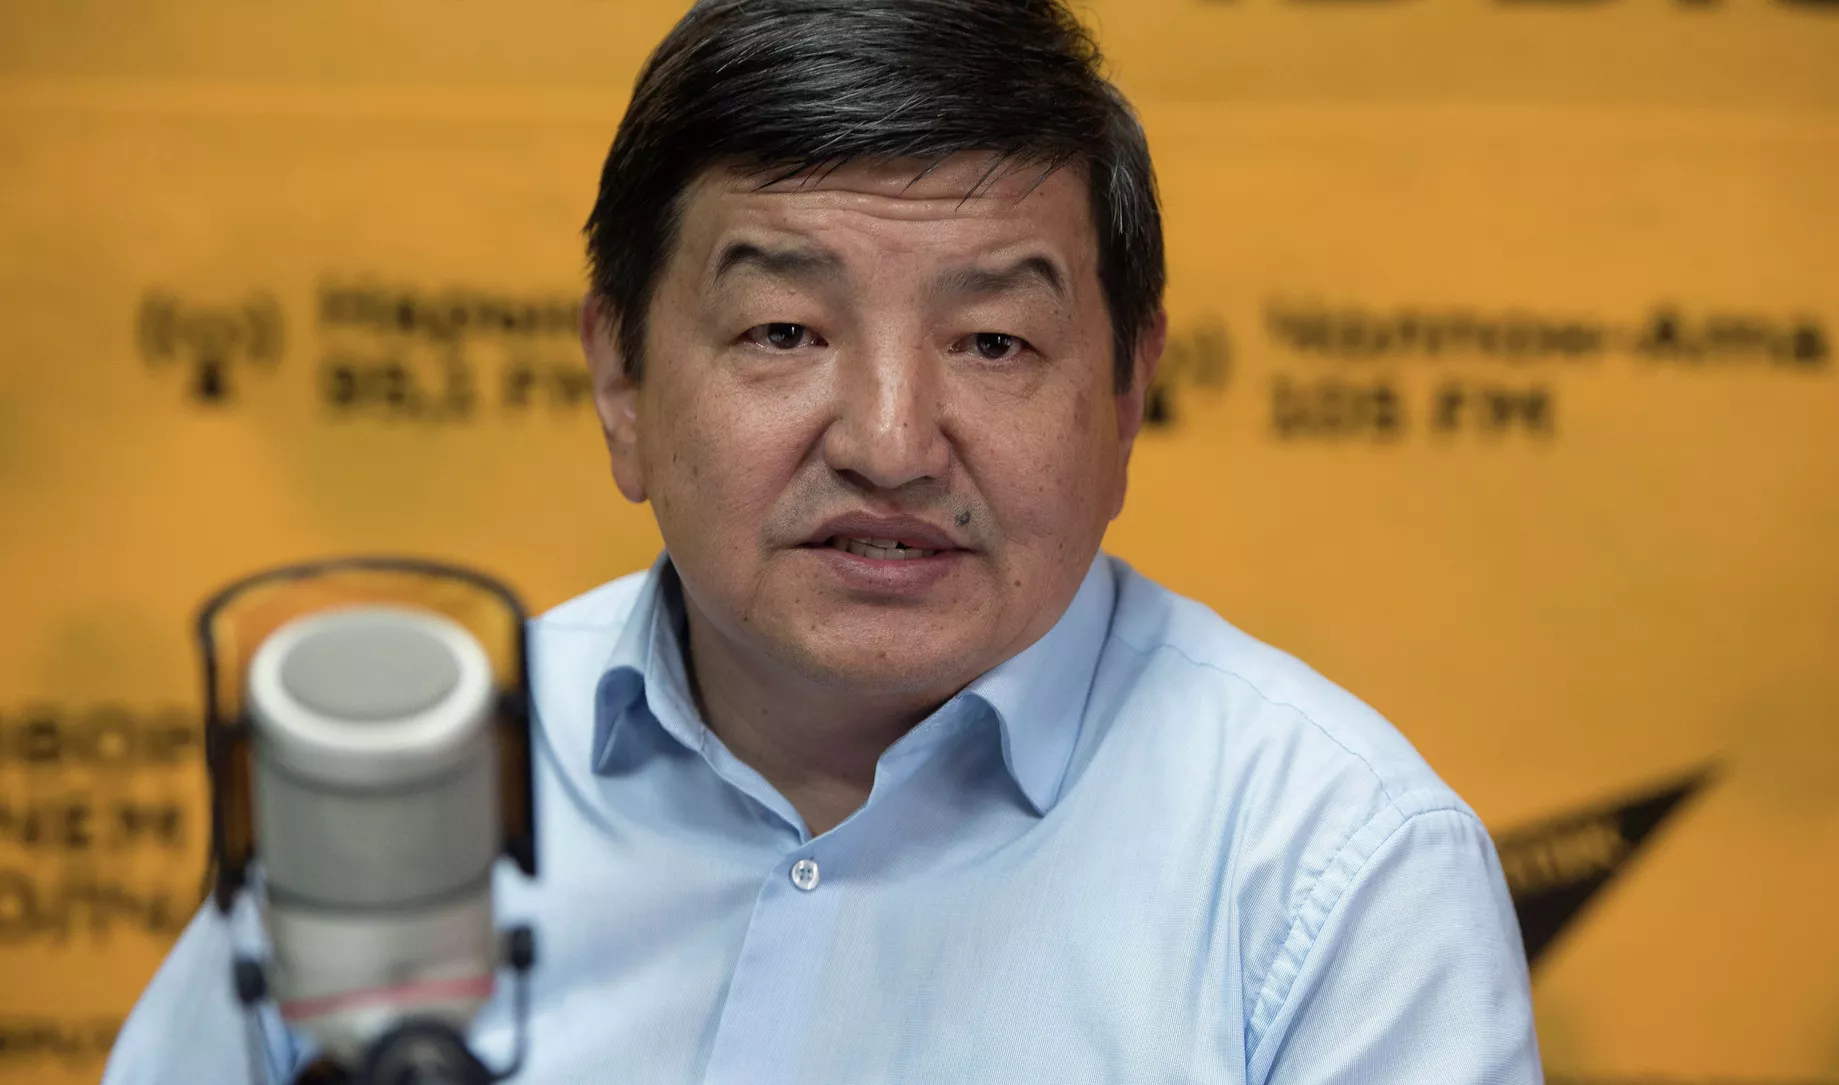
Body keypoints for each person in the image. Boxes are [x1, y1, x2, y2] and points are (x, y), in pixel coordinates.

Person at [106, 0, 1541, 1081]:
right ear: (621, 381)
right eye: (785, 331)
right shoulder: (407, 789)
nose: (892, 441)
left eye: (993, 340)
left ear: (1127, 396)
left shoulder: (1333, 865)